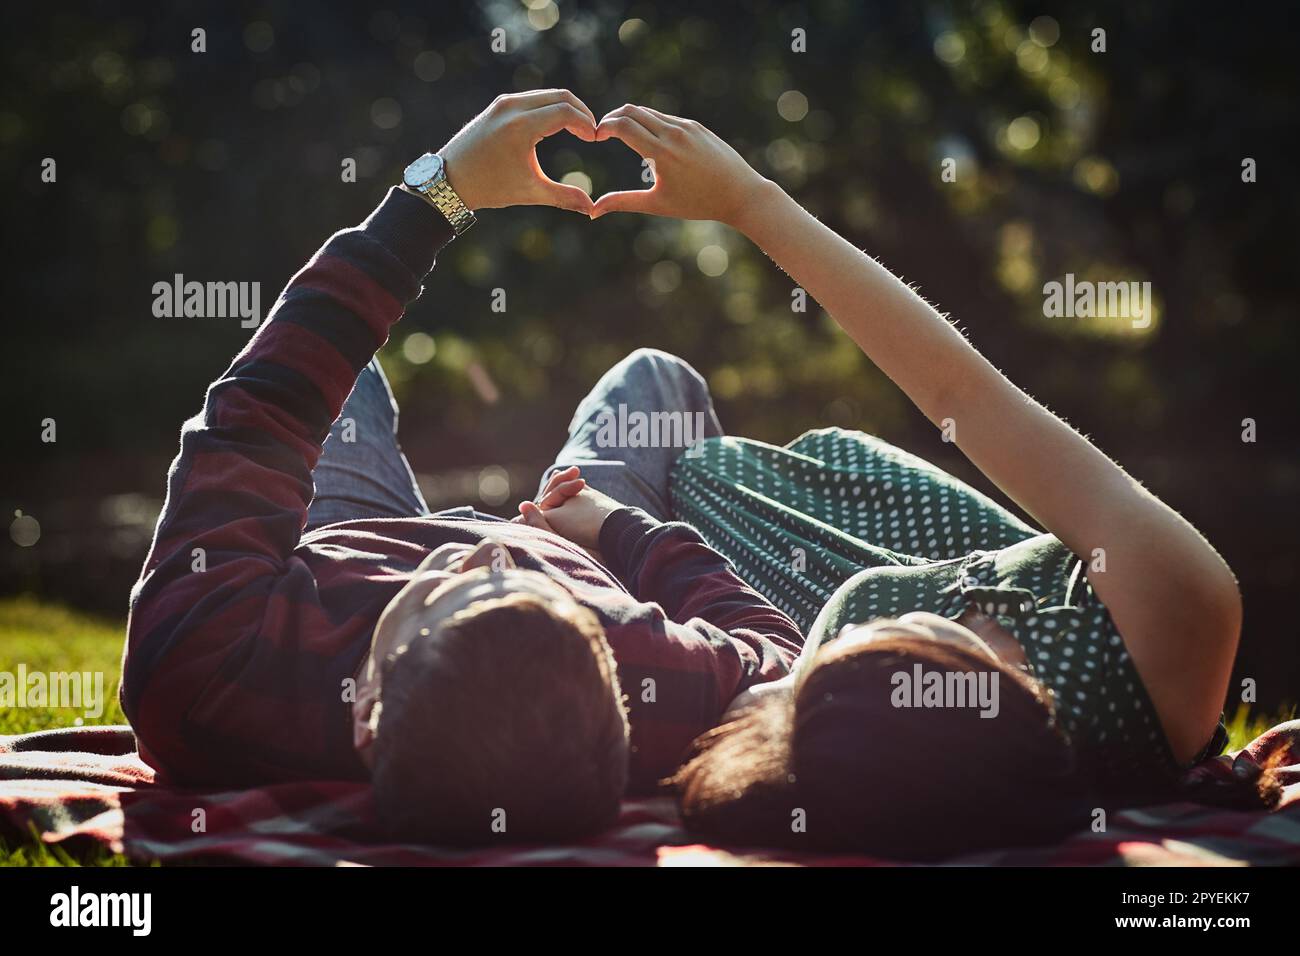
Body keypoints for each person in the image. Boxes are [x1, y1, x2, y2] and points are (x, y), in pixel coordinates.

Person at [525, 104, 1279, 859]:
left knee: (651, 383)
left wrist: (606, 532)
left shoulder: (833, 725)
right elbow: (965, 400)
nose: (871, 633)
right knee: (656, 390)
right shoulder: (1165, 639)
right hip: (729, 519)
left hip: (669, 555)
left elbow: (721, 662)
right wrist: (748, 203)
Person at [120, 91, 802, 846]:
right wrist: (617, 531)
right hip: (580, 535)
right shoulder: (652, 678)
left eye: (452, 588)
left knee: (345, 378)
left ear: (368, 708)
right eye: (530, 592)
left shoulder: (201, 672)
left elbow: (258, 411)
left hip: (347, 543)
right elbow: (779, 659)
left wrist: (434, 197)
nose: (490, 546)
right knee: (656, 379)